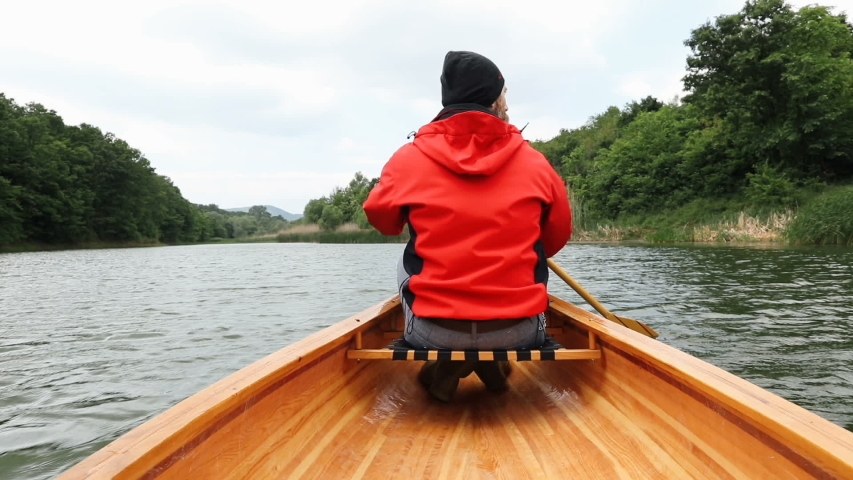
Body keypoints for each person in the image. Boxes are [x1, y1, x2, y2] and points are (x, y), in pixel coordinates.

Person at [363, 51, 572, 402]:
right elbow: (554, 238)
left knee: (404, 263)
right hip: (519, 332)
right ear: (497, 98)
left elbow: (383, 221)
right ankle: (490, 364)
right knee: (530, 266)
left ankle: (452, 367)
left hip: (434, 334)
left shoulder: (409, 158)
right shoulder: (535, 162)